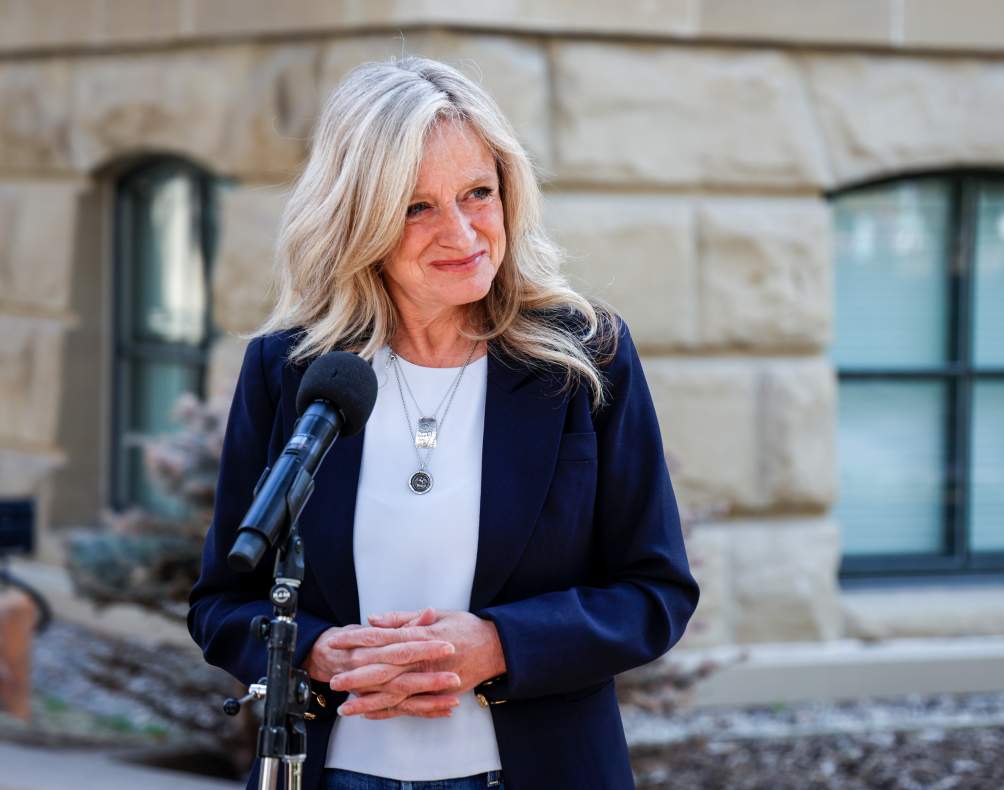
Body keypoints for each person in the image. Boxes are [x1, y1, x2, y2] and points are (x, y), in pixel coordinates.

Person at [187, 56, 699, 790]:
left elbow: (656, 593)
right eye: (415, 206)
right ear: (357, 219)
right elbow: (222, 602)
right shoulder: (292, 369)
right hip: (333, 774)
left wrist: (497, 645)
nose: (462, 232)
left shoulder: (588, 359)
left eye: (477, 193)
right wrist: (316, 651)